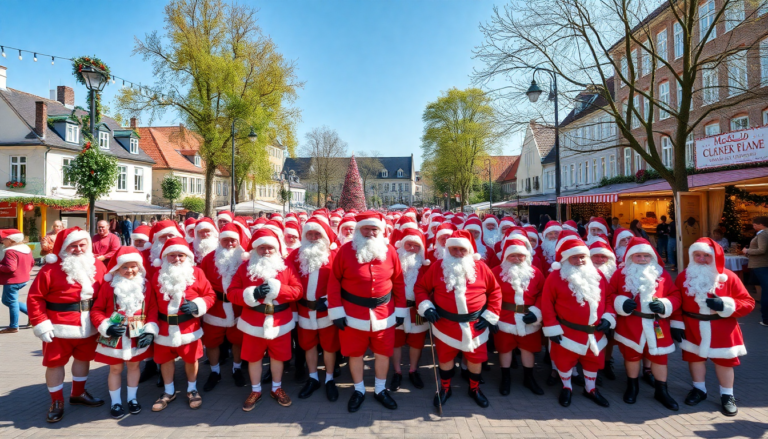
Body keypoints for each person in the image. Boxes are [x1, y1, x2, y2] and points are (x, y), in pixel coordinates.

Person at [326, 211, 406, 412]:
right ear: (358, 230)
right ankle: (359, 390)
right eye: (366, 229)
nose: (370, 233)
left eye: (374, 229)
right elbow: (334, 282)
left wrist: (400, 309)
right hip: (352, 315)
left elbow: (398, 281)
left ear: (381, 231)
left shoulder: (389, 251)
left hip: (384, 313)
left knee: (382, 353)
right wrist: (336, 311)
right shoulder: (345, 251)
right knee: (355, 354)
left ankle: (380, 389)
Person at [27, 227, 107, 423]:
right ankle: (57, 401)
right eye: (73, 245)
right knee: (54, 364)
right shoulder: (50, 269)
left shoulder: (97, 265)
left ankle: (78, 393)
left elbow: (107, 293)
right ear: (63, 247)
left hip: (89, 325)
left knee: (83, 359)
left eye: (82, 245)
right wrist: (40, 323)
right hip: (58, 327)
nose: (78, 249)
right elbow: (35, 298)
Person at [415, 230, 501, 408]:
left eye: (462, 249)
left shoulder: (481, 267)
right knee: (445, 358)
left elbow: (495, 291)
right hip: (445, 324)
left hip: (476, 324)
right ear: (447, 249)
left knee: (475, 359)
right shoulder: (438, 266)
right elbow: (421, 288)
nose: (458, 253)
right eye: (454, 249)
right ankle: (445, 389)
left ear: (469, 251)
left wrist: (490, 315)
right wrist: (426, 306)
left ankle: (474, 389)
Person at [674, 238, 756, 416]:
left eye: (706, 255)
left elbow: (748, 302)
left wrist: (726, 304)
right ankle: (699, 389)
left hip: (722, 326)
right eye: (697, 255)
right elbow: (676, 301)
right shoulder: (683, 277)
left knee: (724, 361)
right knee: (694, 358)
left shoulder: (729, 276)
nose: (701, 259)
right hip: (692, 325)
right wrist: (677, 324)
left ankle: (727, 395)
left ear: (715, 256)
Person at [227, 228, 303, 410]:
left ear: (276, 248)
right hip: (253, 321)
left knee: (278, 357)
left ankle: (276, 388)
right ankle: (255, 390)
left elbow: (298, 291)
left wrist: (279, 290)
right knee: (253, 358)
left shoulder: (286, 266)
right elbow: (231, 293)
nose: (266, 251)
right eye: (262, 248)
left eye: (270, 247)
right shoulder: (245, 267)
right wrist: (252, 293)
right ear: (255, 249)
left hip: (280, 321)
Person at [541, 238, 616, 408]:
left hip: (594, 332)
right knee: (564, 361)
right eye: (574, 257)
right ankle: (566, 387)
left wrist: (608, 317)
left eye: (582, 257)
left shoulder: (598, 275)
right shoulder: (555, 277)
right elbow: (547, 304)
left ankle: (590, 389)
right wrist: (552, 328)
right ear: (565, 259)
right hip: (567, 332)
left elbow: (609, 298)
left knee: (592, 361)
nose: (579, 260)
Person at [609, 238, 680, 410]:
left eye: (646, 256)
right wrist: (620, 302)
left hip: (657, 323)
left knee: (660, 357)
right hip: (631, 323)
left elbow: (675, 295)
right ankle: (632, 386)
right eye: (638, 256)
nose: (642, 259)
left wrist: (664, 304)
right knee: (631, 356)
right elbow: (609, 295)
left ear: (652, 257)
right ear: (630, 257)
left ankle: (661, 390)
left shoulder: (662, 275)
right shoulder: (620, 274)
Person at [149, 237, 215, 412]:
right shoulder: (157, 274)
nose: (177, 259)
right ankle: (169, 391)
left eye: (181, 255)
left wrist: (197, 305)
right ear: (165, 256)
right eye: (172, 255)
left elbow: (210, 295)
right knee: (165, 360)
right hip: (164, 327)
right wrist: (151, 326)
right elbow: (152, 303)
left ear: (187, 257)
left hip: (188, 327)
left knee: (191, 359)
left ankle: (192, 389)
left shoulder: (197, 273)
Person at [91, 247, 158, 418]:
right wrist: (106, 326)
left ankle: (132, 399)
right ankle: (116, 402)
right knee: (115, 369)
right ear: (117, 268)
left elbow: (152, 309)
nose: (129, 270)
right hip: (115, 334)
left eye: (133, 266)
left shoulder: (146, 285)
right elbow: (97, 310)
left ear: (139, 267)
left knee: (134, 366)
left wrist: (150, 329)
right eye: (125, 267)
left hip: (137, 333)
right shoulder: (109, 286)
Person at [290, 218, 341, 401]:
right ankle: (313, 378)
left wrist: (329, 300)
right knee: (308, 345)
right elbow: (287, 279)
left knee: (329, 346)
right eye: (309, 234)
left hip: (326, 310)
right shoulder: (295, 255)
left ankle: (329, 378)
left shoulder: (334, 255)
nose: (312, 237)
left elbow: (342, 282)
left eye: (317, 234)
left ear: (324, 236)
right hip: (304, 310)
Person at [492, 238, 545, 396]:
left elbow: (543, 294)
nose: (517, 258)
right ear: (505, 256)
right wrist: (492, 316)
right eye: (512, 255)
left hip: (529, 317)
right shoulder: (496, 272)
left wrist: (536, 312)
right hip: (504, 317)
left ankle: (529, 378)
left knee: (528, 348)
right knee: (504, 348)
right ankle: (505, 378)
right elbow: (489, 294)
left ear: (526, 256)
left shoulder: (535, 272)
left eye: (520, 255)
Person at [199, 223, 248, 391]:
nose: (229, 244)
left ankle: (237, 368)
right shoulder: (208, 259)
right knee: (211, 341)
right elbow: (202, 284)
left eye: (233, 240)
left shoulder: (244, 258)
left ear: (238, 241)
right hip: (215, 307)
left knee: (238, 340)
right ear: (219, 240)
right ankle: (215, 372)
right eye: (225, 240)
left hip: (238, 306)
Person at [388, 228, 430, 392]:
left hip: (417, 311)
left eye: (416, 246)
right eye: (409, 244)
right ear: (402, 245)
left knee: (417, 342)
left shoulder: (426, 267)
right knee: (396, 341)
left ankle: (413, 370)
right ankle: (397, 371)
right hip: (396, 309)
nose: (412, 248)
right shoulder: (392, 263)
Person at [0, 229, 34, 333]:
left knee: (11, 302)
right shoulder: (26, 248)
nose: (2, 241)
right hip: (23, 279)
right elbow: (32, 262)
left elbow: (10, 268)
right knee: (7, 301)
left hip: (12, 281)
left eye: (4, 239)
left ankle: (14, 326)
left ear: (11, 240)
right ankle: (32, 315)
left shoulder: (11, 251)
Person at [742, 216, 768, 326]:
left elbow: (762, 250)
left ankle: (766, 318)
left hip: (761, 265)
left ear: (761, 224)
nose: (753, 226)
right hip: (763, 264)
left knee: (766, 291)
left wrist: (747, 251)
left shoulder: (763, 234)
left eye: (755, 224)